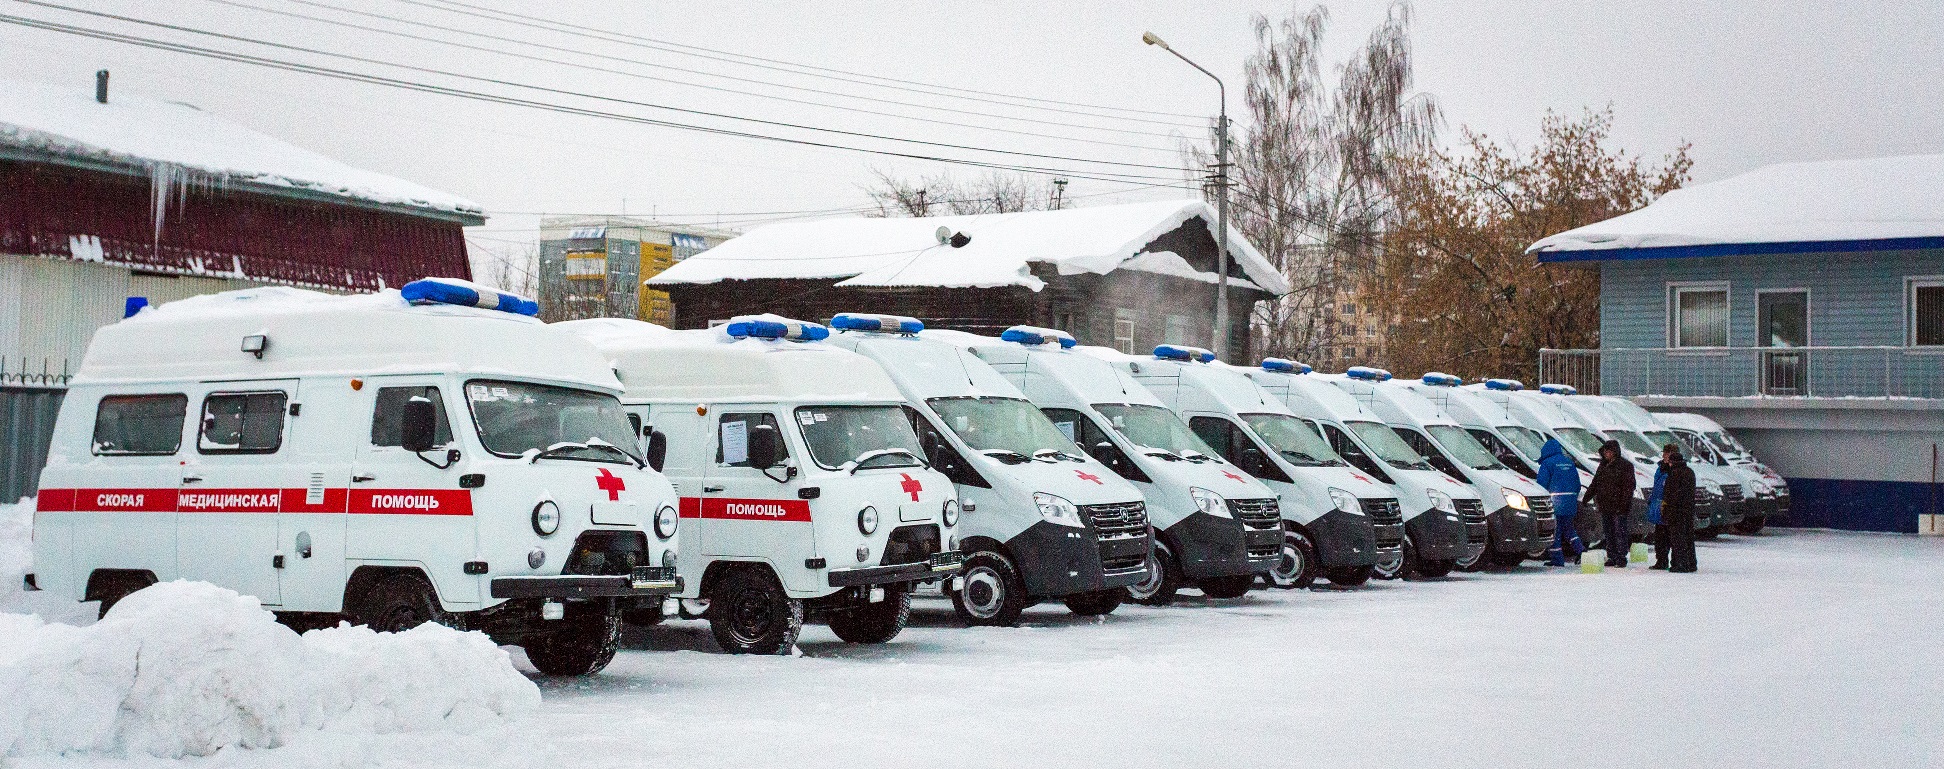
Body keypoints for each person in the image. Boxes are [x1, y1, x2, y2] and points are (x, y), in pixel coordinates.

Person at [1582, 440, 1637, 568]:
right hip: (1606, 505)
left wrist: (1623, 504)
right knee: (1609, 532)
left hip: (1619, 506)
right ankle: (1612, 556)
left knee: (1619, 532)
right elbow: (1595, 483)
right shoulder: (1603, 466)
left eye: (1609, 451)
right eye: (1605, 451)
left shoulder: (1625, 466)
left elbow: (1628, 487)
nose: (1607, 453)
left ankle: (1621, 557)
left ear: (1615, 452)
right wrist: (1587, 497)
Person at [1534, 437, 1584, 567]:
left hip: (1555, 504)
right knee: (1569, 530)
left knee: (1554, 532)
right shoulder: (1569, 462)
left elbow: (1541, 485)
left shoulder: (1547, 464)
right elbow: (1577, 484)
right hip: (1570, 504)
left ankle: (1557, 559)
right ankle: (1582, 552)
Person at [1656, 444, 1699, 573]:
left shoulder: (1674, 474)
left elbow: (1670, 495)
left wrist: (1666, 511)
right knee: (1688, 538)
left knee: (1678, 539)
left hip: (1676, 511)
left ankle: (1681, 564)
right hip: (1688, 510)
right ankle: (1691, 563)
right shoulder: (1689, 472)